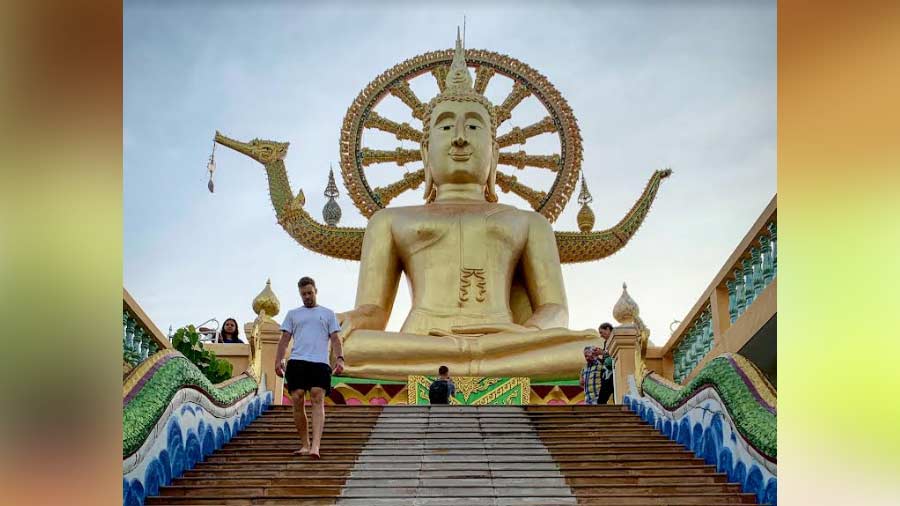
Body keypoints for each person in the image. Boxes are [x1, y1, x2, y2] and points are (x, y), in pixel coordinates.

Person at [274, 276, 344, 459]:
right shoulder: (293, 314)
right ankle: (304, 444)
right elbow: (284, 340)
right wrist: (278, 360)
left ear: (316, 291)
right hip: (297, 361)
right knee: (297, 398)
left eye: (310, 293)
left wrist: (340, 359)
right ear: (300, 294)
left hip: (320, 362)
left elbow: (336, 339)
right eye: (303, 294)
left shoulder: (328, 314)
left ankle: (315, 446)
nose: (307, 297)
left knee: (317, 397)